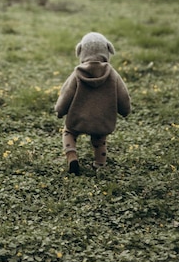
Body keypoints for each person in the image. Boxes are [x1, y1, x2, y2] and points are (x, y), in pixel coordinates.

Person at [55, 32, 131, 175]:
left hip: (78, 118)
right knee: (99, 139)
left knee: (69, 132)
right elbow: (123, 95)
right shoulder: (113, 74)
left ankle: (71, 156)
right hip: (102, 120)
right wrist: (125, 110)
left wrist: (60, 110)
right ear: (107, 50)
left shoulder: (77, 73)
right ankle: (99, 164)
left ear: (81, 51)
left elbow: (66, 94)